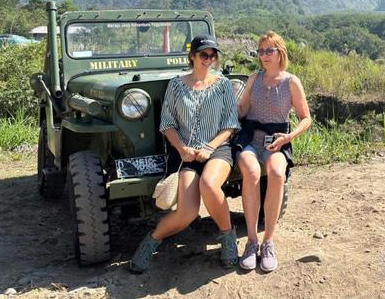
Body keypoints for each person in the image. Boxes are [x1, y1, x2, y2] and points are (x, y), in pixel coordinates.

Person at [130, 35, 241, 273]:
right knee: (187, 212)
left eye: (213, 55)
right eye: (204, 55)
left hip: (217, 148)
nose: (209, 60)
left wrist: (210, 147)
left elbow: (230, 124)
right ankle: (151, 241)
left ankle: (227, 237)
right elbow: (167, 123)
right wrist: (181, 148)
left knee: (210, 185)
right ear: (192, 56)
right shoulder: (176, 85)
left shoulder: (222, 84)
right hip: (186, 152)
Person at [235, 31, 311, 272]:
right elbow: (242, 110)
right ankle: (251, 242)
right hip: (251, 137)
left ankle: (268, 241)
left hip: (277, 140)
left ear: (280, 53)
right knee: (251, 171)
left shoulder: (291, 81)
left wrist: (289, 136)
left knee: (277, 174)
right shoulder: (254, 78)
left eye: (270, 51)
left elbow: (305, 117)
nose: (264, 55)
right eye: (261, 51)